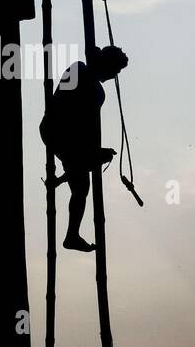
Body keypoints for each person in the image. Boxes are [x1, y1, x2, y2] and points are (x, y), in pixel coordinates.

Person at [40, 45, 129, 251]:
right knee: (81, 184)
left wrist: (94, 153)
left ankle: (61, 182)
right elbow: (71, 115)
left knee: (81, 181)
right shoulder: (81, 72)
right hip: (58, 130)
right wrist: (94, 154)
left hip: (69, 137)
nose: (115, 75)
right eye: (115, 70)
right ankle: (71, 236)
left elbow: (85, 127)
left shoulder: (96, 89)